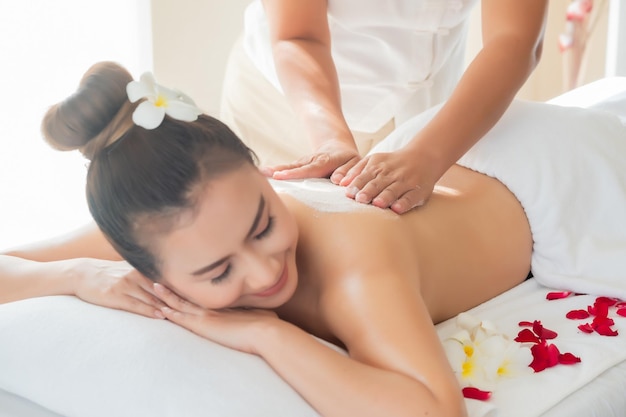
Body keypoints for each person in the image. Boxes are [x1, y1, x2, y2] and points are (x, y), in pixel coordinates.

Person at [2, 62, 626, 416]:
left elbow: (431, 411)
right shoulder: (168, 221)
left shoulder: (355, 266)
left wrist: (263, 332)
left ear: (265, 172)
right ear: (148, 266)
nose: (265, 269)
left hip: (552, 180)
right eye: (218, 273)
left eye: (266, 221)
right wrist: (77, 275)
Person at [219, 0, 549, 214]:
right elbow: (298, 36)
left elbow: (516, 39)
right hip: (288, 104)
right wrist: (331, 140)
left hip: (427, 113)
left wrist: (428, 155)